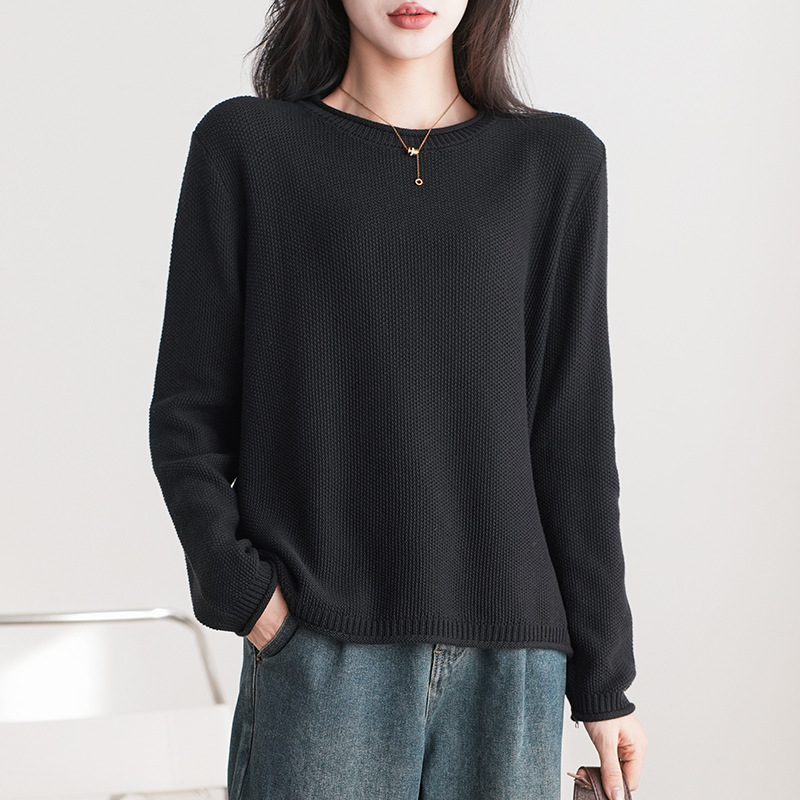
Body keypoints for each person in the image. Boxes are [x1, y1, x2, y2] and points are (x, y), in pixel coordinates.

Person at [148, 0, 648, 798]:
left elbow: (574, 440)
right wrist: (248, 600)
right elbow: (187, 417)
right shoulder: (248, 147)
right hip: (323, 649)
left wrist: (604, 680)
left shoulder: (555, 163)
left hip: (511, 670)